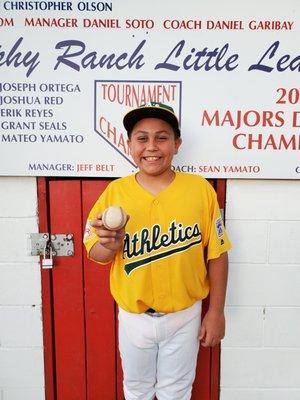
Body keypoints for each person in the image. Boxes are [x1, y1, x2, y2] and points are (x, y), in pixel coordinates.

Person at [83, 102, 231, 400]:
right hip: (134, 316)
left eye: (162, 137)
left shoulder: (200, 190)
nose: (151, 146)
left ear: (177, 144)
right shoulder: (115, 192)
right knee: (136, 390)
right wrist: (108, 245)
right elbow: (96, 254)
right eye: (142, 138)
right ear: (129, 145)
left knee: (176, 392)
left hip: (184, 315)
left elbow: (217, 253)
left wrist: (216, 311)